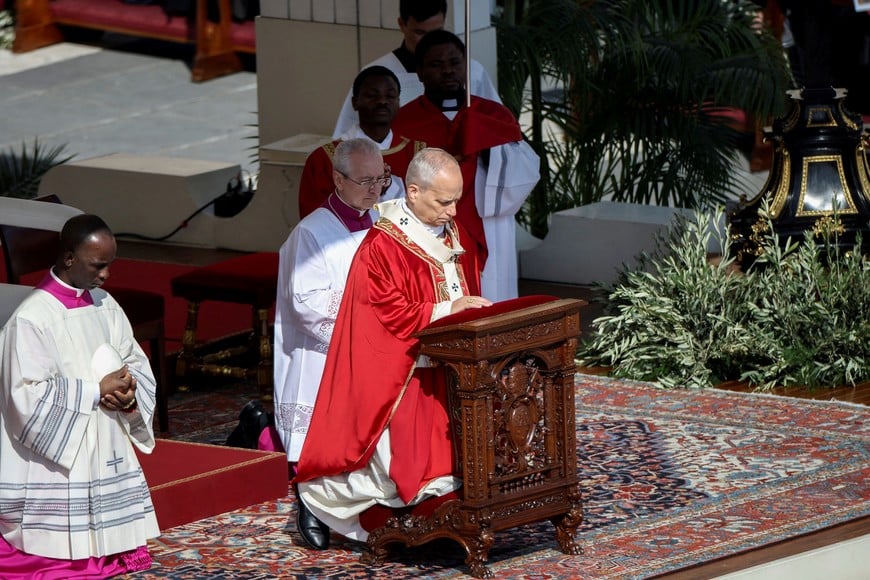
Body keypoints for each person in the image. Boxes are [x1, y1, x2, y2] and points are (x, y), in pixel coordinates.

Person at [293, 148, 492, 548]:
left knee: (448, 458)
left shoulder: (452, 230)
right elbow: (382, 314)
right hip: (401, 374)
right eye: (443, 201)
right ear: (413, 192)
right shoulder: (382, 246)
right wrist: (445, 309)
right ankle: (318, 501)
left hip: (447, 369)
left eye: (457, 200)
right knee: (389, 468)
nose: (454, 211)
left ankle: (437, 521)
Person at [0, 214, 159, 578]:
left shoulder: (104, 303)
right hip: (62, 447)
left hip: (105, 431)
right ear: (69, 258)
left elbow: (132, 357)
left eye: (109, 266)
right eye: (97, 265)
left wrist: (127, 389)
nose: (105, 275)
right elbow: (23, 394)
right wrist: (93, 391)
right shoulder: (31, 319)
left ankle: (110, 546)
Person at [275, 138, 392, 549]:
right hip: (324, 353)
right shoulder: (312, 233)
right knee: (322, 437)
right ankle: (310, 501)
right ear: (338, 179)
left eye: (382, 179)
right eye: (365, 180)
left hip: (374, 348)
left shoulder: (384, 222)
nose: (376, 189)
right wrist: (361, 325)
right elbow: (306, 303)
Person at [392, 29, 540, 302]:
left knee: (492, 295)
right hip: (430, 228)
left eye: (455, 63)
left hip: (488, 223)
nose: (448, 71)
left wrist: (485, 146)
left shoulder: (492, 114)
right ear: (420, 72)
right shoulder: (404, 121)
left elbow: (526, 169)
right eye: (437, 64)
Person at [331, 0, 501, 138]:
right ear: (402, 24)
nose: (430, 42)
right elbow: (348, 136)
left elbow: (495, 122)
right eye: (420, 32)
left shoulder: (471, 71)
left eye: (437, 31)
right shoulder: (375, 75)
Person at [298, 66, 424, 219]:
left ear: (398, 102)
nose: (382, 101)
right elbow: (315, 220)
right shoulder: (324, 159)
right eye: (372, 95)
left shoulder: (418, 154)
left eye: (390, 96)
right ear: (355, 102)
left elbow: (428, 212)